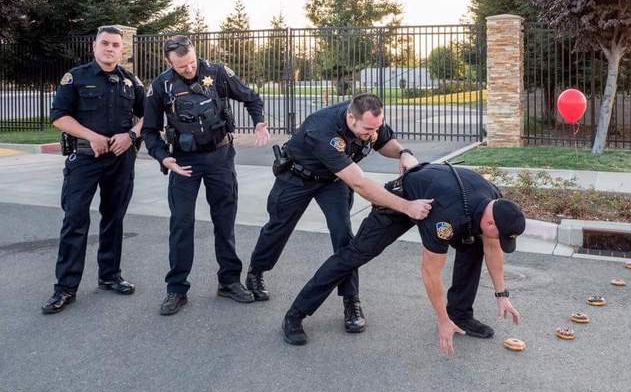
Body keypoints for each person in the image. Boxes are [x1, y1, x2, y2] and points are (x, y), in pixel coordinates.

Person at [282, 163, 526, 355]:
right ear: (491, 220)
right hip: (401, 200)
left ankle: (460, 314)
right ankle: (295, 314)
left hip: (440, 196)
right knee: (355, 254)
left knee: (475, 246)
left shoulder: (494, 201)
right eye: (500, 234)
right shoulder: (447, 219)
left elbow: (492, 247)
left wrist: (502, 295)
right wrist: (441, 321)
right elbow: (431, 272)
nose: (499, 239)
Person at [245, 94, 433, 333]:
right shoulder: (322, 129)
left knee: (344, 237)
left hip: (332, 181)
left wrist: (404, 152)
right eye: (367, 129)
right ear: (350, 118)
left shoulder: (370, 118)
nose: (372, 133)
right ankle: (256, 271)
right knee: (278, 228)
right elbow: (359, 183)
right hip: (297, 178)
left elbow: (384, 141)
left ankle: (351, 301)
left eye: (376, 127)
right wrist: (407, 207)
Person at [142, 35, 270, 316]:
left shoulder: (218, 73)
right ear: (169, 62)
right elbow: (149, 131)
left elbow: (251, 97)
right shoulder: (160, 86)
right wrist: (164, 157)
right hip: (183, 163)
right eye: (180, 66)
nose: (188, 69)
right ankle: (176, 289)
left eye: (190, 63)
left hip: (220, 158)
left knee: (224, 221)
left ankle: (229, 281)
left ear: (196, 53)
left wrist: (259, 121)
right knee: (181, 224)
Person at [42, 25, 145, 314]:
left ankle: (110, 276)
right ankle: (65, 288)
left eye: (115, 44)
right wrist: (91, 136)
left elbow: (149, 114)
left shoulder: (130, 81)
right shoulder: (76, 77)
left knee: (114, 218)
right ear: (94, 46)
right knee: (75, 221)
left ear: (122, 49)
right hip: (85, 160)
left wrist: (132, 135)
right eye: (105, 43)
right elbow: (59, 117)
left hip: (121, 160)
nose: (110, 48)